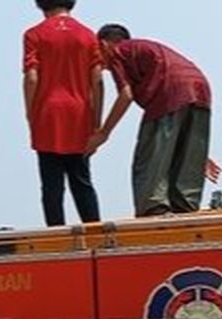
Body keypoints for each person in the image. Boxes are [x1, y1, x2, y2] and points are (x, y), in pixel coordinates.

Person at [88, 24, 213, 217]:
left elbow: (126, 95)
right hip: (199, 88)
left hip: (169, 93)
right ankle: (185, 208)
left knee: (149, 157)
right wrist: (198, 154)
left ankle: (153, 208)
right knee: (186, 162)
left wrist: (103, 133)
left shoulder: (118, 53)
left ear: (104, 44)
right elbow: (178, 132)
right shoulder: (142, 50)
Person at [22, 0, 103, 227]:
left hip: (47, 112)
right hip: (80, 113)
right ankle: (95, 232)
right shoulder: (88, 35)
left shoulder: (34, 35)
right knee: (82, 180)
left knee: (51, 186)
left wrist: (30, 113)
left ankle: (56, 237)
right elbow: (97, 81)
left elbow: (31, 77)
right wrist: (97, 124)